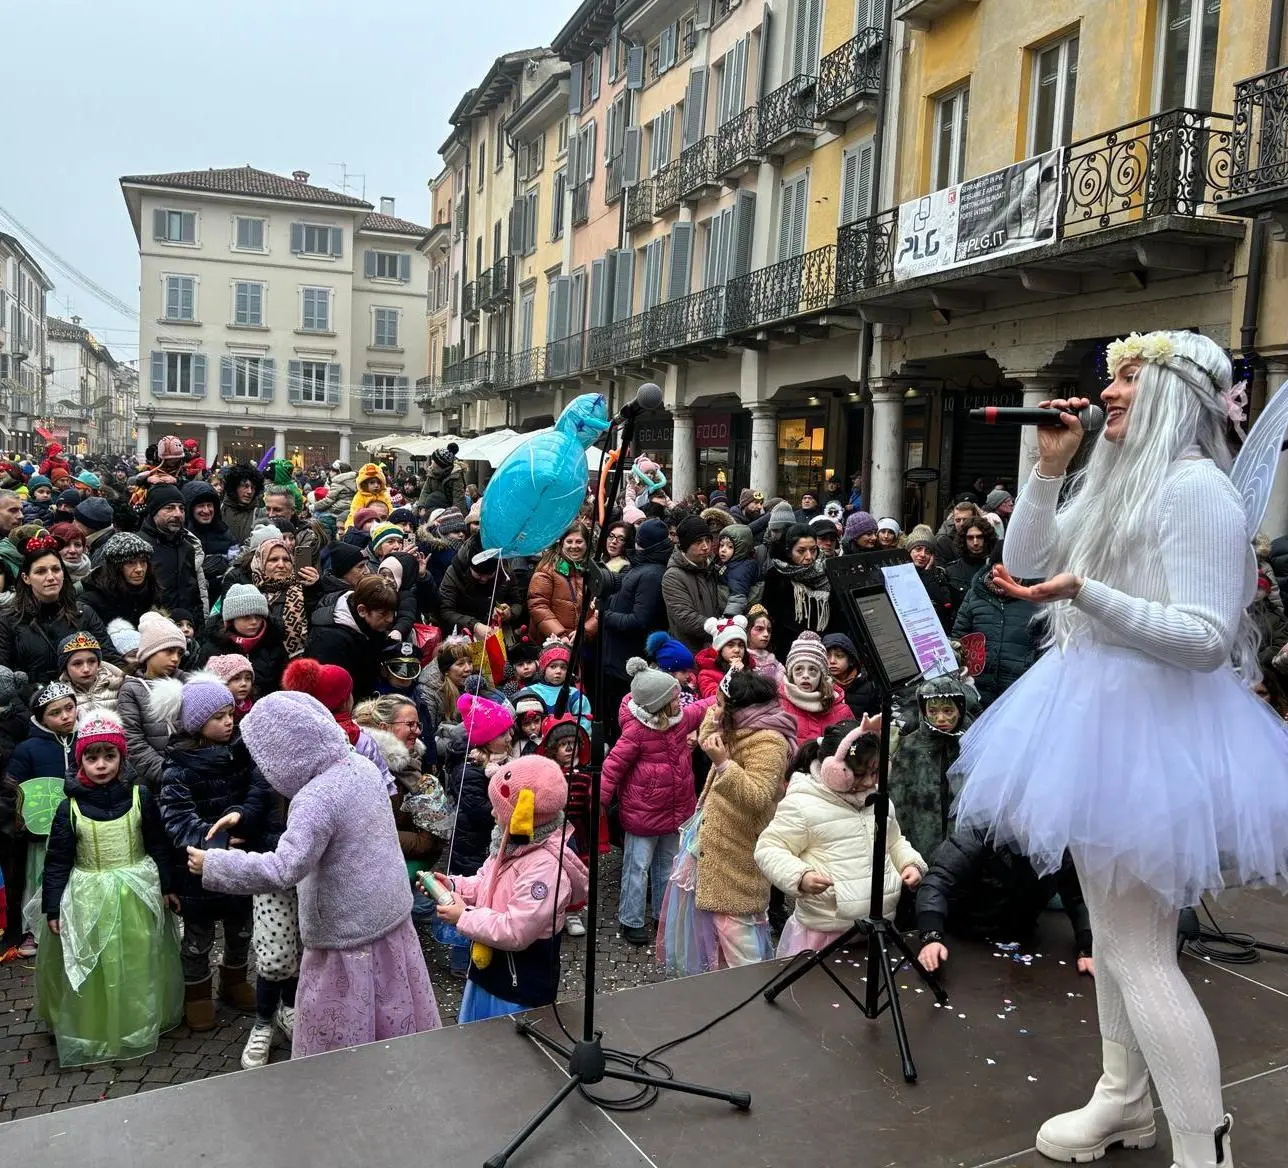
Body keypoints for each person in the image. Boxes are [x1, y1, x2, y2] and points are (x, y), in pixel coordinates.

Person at [950, 330, 1288, 1167]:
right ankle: (1124, 1099)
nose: (1109, 390)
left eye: (1131, 376)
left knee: (1137, 950)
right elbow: (1026, 560)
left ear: (1175, 391)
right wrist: (1050, 468)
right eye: (1111, 377)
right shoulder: (1119, 485)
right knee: (1112, 931)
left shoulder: (1197, 490)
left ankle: (1204, 1148)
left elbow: (1208, 639)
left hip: (1154, 731)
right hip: (1095, 717)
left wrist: (1091, 595)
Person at [189, 691, 441, 1054]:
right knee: (393, 1009)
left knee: (341, 1030)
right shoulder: (362, 766)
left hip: (345, 932)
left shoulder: (315, 798)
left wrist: (215, 863)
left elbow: (283, 868)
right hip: (389, 917)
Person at [36, 709, 183, 1067]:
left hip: (136, 888)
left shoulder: (140, 797)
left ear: (121, 757)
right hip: (90, 893)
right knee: (98, 960)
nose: (101, 765)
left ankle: (137, 1021)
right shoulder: (68, 808)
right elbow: (57, 860)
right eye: (91, 757)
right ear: (80, 760)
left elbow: (158, 843)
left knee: (137, 956)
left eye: (109, 756)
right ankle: (95, 1025)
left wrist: (166, 884)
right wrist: (53, 907)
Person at [428, 754, 586, 1023]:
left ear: (523, 814)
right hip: (490, 974)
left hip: (517, 988)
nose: (491, 813)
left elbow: (517, 930)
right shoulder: (511, 842)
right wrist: (453, 884)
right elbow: (484, 881)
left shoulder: (546, 868)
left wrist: (463, 916)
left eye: (498, 808)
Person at [660, 670, 796, 973]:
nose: (714, 710)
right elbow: (711, 733)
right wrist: (717, 717)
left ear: (740, 710)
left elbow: (758, 796)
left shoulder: (768, 741)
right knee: (715, 936)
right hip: (714, 844)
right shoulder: (737, 725)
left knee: (738, 938)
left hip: (737, 852)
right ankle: (722, 995)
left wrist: (723, 765)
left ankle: (750, 1003)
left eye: (721, 705)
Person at [159, 675, 273, 1031]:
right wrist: (217, 846)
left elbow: (260, 789)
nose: (228, 721)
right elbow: (177, 820)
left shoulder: (244, 750)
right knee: (198, 938)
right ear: (196, 724)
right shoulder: (177, 768)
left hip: (241, 859)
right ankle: (197, 994)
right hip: (198, 870)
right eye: (218, 716)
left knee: (241, 928)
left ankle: (234, 980)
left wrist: (245, 817)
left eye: (230, 713)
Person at [756, 719, 924, 957]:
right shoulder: (803, 804)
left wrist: (909, 863)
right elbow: (769, 848)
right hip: (824, 930)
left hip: (878, 925)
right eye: (857, 774)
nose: (867, 782)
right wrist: (800, 876)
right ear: (833, 768)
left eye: (874, 773)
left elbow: (894, 841)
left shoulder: (880, 800)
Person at [600, 658, 715, 946]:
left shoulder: (680, 721)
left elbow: (702, 708)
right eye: (675, 699)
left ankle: (663, 915)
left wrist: (727, 691)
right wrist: (600, 800)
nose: (681, 701)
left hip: (674, 810)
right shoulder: (636, 732)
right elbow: (612, 766)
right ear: (659, 705)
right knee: (637, 868)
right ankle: (631, 919)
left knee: (667, 864)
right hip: (643, 813)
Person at [915, 825, 1093, 979]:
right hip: (964, 937)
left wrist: (1087, 947)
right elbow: (937, 883)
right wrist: (932, 935)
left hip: (1023, 943)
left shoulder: (1058, 844)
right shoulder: (980, 833)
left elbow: (1078, 897)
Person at [0, 531, 120, 683]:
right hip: (34, 701)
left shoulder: (83, 613)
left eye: (56, 569)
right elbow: (4, 681)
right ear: (26, 578)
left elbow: (111, 658)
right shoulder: (8, 621)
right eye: (41, 571)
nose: (51, 577)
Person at [888, 676, 974, 857]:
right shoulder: (911, 746)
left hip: (963, 841)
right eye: (933, 711)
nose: (940, 718)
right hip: (920, 836)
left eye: (948, 710)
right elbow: (898, 798)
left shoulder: (970, 743)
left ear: (960, 709)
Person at [601, 517, 671, 721]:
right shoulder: (642, 566)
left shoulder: (651, 574)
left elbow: (639, 620)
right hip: (617, 658)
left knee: (623, 717)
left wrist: (606, 616)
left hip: (626, 661)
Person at [952, 547, 1042, 707]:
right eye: (997, 566)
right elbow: (959, 635)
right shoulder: (975, 595)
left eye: (1009, 567)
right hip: (977, 688)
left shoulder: (1035, 598)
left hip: (1018, 690)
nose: (1002, 572)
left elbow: (1044, 645)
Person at [116, 613, 195, 791]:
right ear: (149, 652)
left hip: (193, 773)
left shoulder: (189, 683)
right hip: (156, 782)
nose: (175, 658)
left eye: (180, 653)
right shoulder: (131, 690)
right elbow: (134, 742)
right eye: (168, 651)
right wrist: (168, 773)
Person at [304, 574, 400, 699]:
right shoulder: (329, 640)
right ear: (362, 610)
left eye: (393, 612)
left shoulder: (369, 624)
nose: (390, 619)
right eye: (383, 613)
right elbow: (332, 692)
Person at [197, 584, 289, 698]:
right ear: (232, 619)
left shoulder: (273, 644)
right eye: (246, 617)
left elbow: (284, 686)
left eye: (258, 616)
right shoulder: (213, 648)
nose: (254, 622)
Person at [763, 525, 835, 659]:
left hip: (823, 647)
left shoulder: (827, 571)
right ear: (789, 551)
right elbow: (770, 616)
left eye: (813, 550)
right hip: (787, 650)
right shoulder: (776, 575)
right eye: (801, 551)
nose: (809, 556)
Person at [138, 485, 209, 619]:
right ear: (154, 511)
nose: (177, 514)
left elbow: (194, 596)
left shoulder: (187, 547)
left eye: (181, 509)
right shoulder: (139, 546)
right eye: (169, 508)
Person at [778, 631, 854, 742]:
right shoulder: (778, 706)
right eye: (798, 669)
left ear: (821, 675)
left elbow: (853, 749)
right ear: (791, 674)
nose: (805, 676)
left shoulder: (842, 711)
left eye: (812, 670)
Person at [527, 522, 598, 642]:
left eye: (579, 541)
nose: (574, 546)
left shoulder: (593, 571)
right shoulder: (548, 569)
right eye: (569, 541)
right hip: (553, 641)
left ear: (587, 544)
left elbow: (599, 608)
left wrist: (585, 631)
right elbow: (538, 605)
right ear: (561, 544)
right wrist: (560, 635)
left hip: (582, 643)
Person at [661, 515, 722, 653]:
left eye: (708, 540)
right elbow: (684, 617)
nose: (706, 547)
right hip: (690, 652)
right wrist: (717, 628)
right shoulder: (673, 576)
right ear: (686, 545)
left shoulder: (712, 567)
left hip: (716, 647)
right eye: (698, 542)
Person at [79, 532, 161, 632]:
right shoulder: (91, 601)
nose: (139, 569)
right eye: (130, 562)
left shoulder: (151, 592)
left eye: (143, 561)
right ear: (115, 568)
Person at [183, 480, 234, 603]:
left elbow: (236, 566)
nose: (206, 511)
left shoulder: (225, 533)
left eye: (209, 505)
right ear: (189, 508)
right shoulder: (181, 537)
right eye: (200, 506)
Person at [58, 631, 125, 716]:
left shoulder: (121, 687)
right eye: (77, 663)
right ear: (65, 668)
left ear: (99, 663)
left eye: (92, 661)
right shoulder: (61, 698)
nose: (86, 669)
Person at [945, 517, 997, 608]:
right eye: (970, 538)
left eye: (980, 537)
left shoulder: (996, 569)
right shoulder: (952, 571)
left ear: (987, 539)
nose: (975, 542)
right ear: (964, 540)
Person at [696, 615, 750, 698]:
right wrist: (733, 674)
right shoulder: (706, 674)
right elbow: (714, 699)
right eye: (730, 645)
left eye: (741, 645)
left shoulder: (749, 667)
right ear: (720, 649)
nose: (737, 650)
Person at [220, 465, 263, 546]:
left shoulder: (258, 514)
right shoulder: (220, 509)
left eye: (253, 488)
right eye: (245, 486)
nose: (250, 491)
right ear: (235, 487)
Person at [344, 463, 394, 531]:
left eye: (378, 482)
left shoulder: (384, 496)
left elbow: (390, 511)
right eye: (372, 482)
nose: (376, 485)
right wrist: (349, 530)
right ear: (364, 484)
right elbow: (354, 514)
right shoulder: (360, 497)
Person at [418, 444, 467, 512]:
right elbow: (425, 491)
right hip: (431, 508)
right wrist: (421, 507)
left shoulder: (455, 477)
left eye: (434, 461)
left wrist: (454, 517)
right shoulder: (432, 474)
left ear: (440, 466)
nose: (431, 463)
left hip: (448, 511)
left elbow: (459, 501)